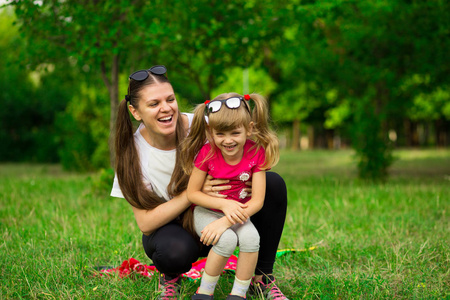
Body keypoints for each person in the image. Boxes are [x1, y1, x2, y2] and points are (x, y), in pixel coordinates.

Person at [111, 65, 289, 300]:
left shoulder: (204, 124)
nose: (166, 108)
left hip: (225, 212)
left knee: (273, 183)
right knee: (173, 252)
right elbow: (146, 223)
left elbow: (241, 134)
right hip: (178, 229)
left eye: (170, 99)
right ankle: (172, 276)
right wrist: (192, 193)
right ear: (136, 112)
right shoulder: (131, 156)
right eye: (154, 104)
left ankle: (261, 277)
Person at [180, 92, 281, 300]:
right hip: (207, 212)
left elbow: (257, 201)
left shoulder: (256, 153)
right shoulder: (207, 153)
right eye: (220, 134)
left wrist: (226, 220)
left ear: (249, 128)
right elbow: (192, 193)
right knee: (225, 241)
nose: (228, 141)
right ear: (210, 132)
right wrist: (223, 208)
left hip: (239, 214)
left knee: (252, 239)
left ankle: (238, 294)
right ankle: (205, 292)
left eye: (235, 133)